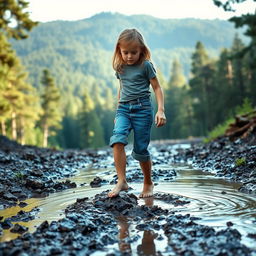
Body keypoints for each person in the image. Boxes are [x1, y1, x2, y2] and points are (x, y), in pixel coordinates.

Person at [108, 28, 166, 198]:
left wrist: (161, 110)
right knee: (117, 139)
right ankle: (121, 181)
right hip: (124, 109)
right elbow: (122, 89)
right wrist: (118, 112)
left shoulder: (145, 65)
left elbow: (157, 87)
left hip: (143, 110)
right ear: (119, 49)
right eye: (125, 52)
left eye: (134, 52)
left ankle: (148, 183)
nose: (129, 56)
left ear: (141, 50)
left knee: (141, 150)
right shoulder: (120, 67)